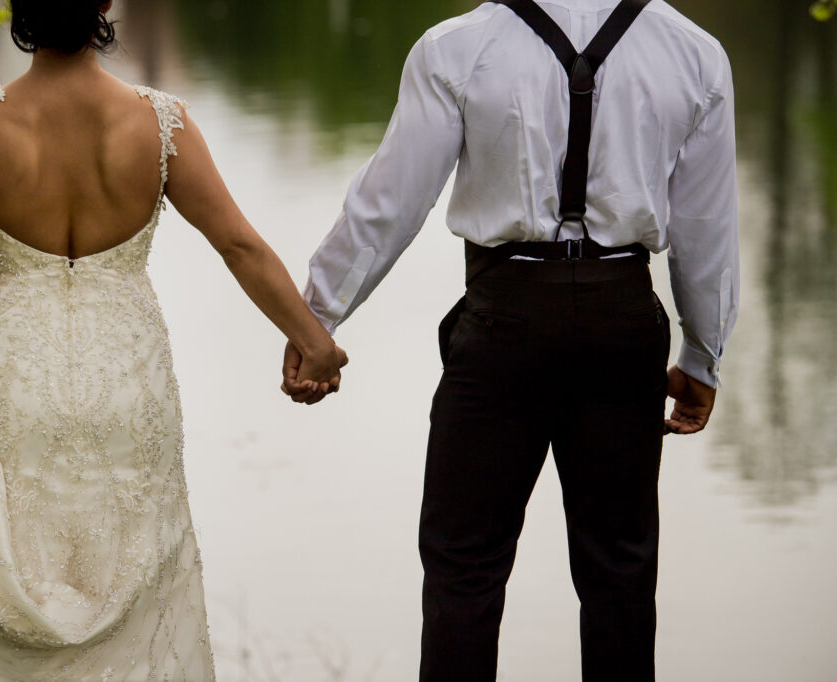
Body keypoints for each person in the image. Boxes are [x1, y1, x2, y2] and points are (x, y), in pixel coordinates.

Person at [0, 1, 346, 679]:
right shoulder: (163, 124)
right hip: (127, 384)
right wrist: (314, 341)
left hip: (12, 384)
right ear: (105, 3)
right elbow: (239, 246)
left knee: (8, 587)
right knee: (130, 585)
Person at [283, 0, 739, 679]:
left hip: (504, 322)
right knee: (620, 575)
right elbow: (706, 228)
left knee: (463, 569)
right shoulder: (694, 53)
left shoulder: (459, 46)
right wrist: (703, 354)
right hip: (622, 324)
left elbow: (391, 202)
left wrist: (316, 317)